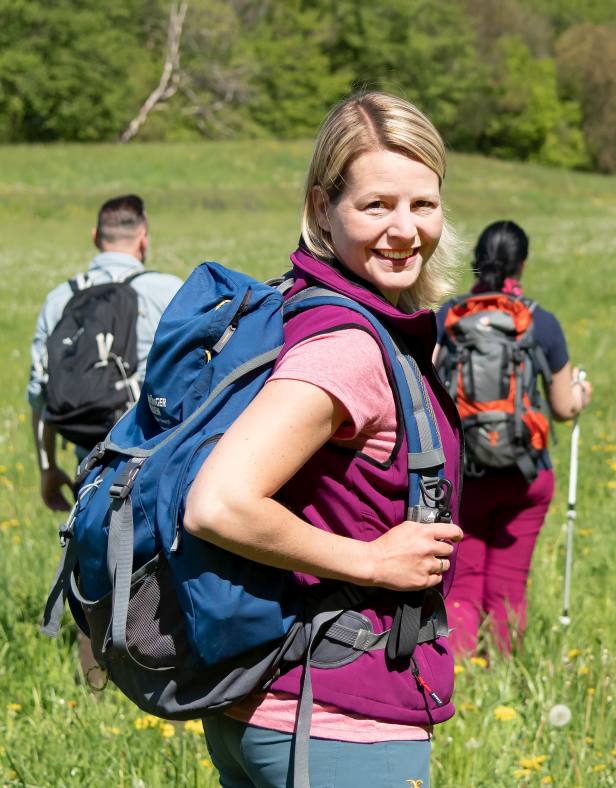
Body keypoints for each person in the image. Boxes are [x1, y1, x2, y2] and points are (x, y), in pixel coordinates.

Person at [181, 91, 466, 788]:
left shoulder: (304, 308)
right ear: (321, 209)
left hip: (274, 704)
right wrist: (372, 562)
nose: (405, 230)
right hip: (337, 722)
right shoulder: (348, 348)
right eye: (376, 206)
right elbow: (217, 503)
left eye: (423, 204)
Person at [437, 220, 591, 655]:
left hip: (463, 476)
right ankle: (502, 673)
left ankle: (463, 679)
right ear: (522, 263)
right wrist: (582, 392)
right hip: (526, 475)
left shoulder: (448, 317)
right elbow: (563, 408)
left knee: (462, 583)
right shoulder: (541, 321)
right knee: (508, 584)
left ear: (476, 261)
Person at [27, 195, 182, 512]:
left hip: (90, 461)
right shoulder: (170, 291)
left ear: (96, 237)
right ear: (143, 238)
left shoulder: (61, 298)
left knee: (90, 550)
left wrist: (47, 467)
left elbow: (39, 392)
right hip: (157, 460)